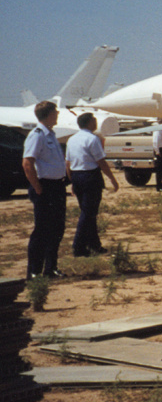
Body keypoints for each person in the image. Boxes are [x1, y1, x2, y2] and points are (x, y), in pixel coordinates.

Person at [23, 101, 67, 279]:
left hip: (56, 187)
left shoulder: (51, 134)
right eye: (55, 112)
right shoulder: (37, 135)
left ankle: (51, 268)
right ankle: (34, 271)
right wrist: (38, 187)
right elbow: (27, 163)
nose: (57, 115)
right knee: (42, 230)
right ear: (48, 114)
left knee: (57, 228)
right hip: (45, 187)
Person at [65, 112, 119, 257]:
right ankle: (78, 246)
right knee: (88, 213)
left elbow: (68, 162)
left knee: (89, 213)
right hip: (90, 176)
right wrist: (112, 179)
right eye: (94, 120)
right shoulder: (92, 139)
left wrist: (72, 182)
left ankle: (94, 245)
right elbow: (101, 162)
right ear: (89, 123)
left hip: (77, 176)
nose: (96, 122)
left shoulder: (72, 139)